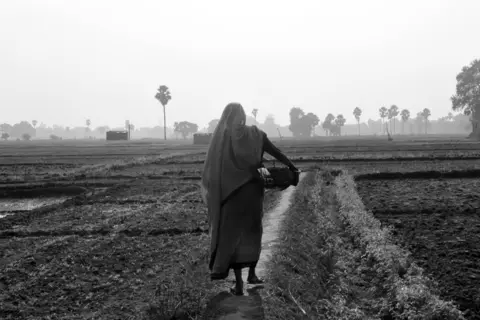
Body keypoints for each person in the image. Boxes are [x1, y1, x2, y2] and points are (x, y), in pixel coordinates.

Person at [201, 102, 298, 296]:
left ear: (226, 118)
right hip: (254, 188)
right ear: (242, 116)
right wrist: (292, 167)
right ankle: (252, 274)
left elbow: (213, 170)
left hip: (231, 194)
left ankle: (239, 284)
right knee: (253, 231)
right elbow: (275, 152)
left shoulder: (223, 138)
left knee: (235, 236)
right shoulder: (255, 134)